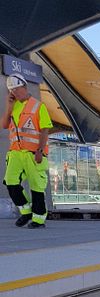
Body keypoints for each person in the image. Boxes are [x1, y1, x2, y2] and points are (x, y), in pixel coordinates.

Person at [2, 74, 53, 228]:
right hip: (16, 153)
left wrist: (39, 150)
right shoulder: (14, 105)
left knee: (36, 187)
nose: (15, 93)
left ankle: (38, 219)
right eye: (12, 90)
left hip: (33, 153)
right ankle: (26, 212)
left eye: (17, 89)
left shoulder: (38, 106)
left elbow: (44, 130)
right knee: (11, 183)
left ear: (25, 87)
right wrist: (9, 106)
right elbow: (5, 125)